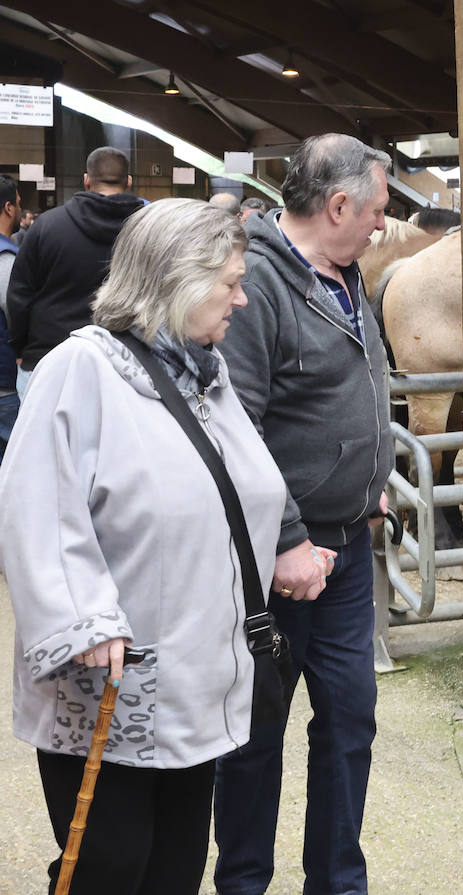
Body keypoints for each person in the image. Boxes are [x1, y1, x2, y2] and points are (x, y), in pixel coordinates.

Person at [0, 198, 292, 894]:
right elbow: (37, 501)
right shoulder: (82, 369)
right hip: (113, 678)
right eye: (230, 281)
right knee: (109, 867)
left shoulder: (208, 376)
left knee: (176, 868)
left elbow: (247, 487)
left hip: (197, 681)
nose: (242, 298)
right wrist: (87, 617)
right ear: (178, 279)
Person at [213, 132, 394, 895]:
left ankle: (336, 884)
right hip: (278, 564)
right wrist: (286, 538)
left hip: (350, 552)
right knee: (256, 737)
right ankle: (245, 883)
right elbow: (234, 426)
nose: (385, 224)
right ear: (339, 204)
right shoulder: (256, 284)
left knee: (350, 723)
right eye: (378, 210)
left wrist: (368, 477)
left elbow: (349, 390)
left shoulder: (351, 275)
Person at [6, 147, 143, 396]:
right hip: (130, 365)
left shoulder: (47, 226)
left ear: (86, 180)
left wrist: (22, 347)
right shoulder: (150, 229)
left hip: (48, 357)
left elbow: (19, 296)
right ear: (129, 182)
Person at [0, 175, 20, 460]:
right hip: (4, 388)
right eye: (18, 202)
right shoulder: (6, 257)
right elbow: (16, 313)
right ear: (8, 208)